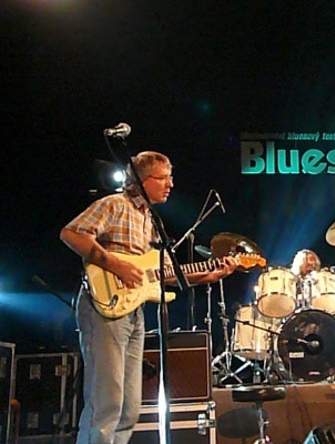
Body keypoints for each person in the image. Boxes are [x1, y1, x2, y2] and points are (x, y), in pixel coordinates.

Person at [60, 151, 237, 444]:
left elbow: (159, 274)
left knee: (129, 407)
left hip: (133, 311)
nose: (170, 184)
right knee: (106, 402)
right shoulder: (114, 204)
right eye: (163, 177)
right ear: (142, 180)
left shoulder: (149, 219)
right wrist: (116, 265)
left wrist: (209, 275)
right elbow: (72, 234)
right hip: (103, 307)